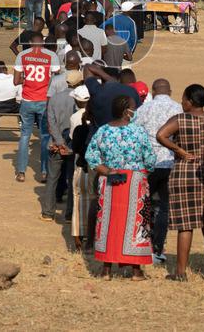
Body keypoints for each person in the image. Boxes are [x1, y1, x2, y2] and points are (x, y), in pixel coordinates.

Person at [156, 84, 204, 281]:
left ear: (190, 101)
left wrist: (179, 150)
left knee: (185, 225)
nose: (182, 102)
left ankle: (181, 272)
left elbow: (161, 135)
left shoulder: (180, 120)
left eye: (183, 99)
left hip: (184, 172)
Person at [85, 95, 156, 280]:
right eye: (133, 108)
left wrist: (107, 170)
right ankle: (136, 271)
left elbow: (91, 157)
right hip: (134, 182)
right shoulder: (138, 132)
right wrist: (143, 171)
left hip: (109, 181)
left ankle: (106, 270)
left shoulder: (103, 131)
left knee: (108, 223)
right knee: (136, 224)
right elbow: (150, 159)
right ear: (127, 111)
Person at [132, 78, 184, 264]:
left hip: (148, 164)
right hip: (170, 163)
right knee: (164, 208)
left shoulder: (144, 109)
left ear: (153, 91)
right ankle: (158, 248)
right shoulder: (178, 109)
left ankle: (141, 245)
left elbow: (135, 133)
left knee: (144, 204)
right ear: (169, 91)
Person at [12, 33, 60, 183]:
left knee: (25, 135)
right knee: (45, 136)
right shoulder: (51, 55)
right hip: (44, 101)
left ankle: (21, 172)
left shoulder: (22, 55)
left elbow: (15, 81)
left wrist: (25, 79)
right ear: (43, 42)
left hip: (27, 100)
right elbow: (56, 78)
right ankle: (44, 172)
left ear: (31, 43)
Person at [42, 65, 79, 221]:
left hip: (55, 144)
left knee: (52, 179)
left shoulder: (55, 98)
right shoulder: (79, 100)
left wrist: (58, 141)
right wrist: (67, 143)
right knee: (72, 180)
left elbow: (50, 122)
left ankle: (47, 213)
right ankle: (69, 214)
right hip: (72, 145)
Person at [70, 88, 95, 251]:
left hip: (80, 166)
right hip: (94, 168)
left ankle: (78, 238)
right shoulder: (98, 127)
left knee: (77, 201)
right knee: (94, 200)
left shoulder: (75, 121)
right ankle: (92, 237)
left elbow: (74, 146)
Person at [82, 64, 140, 130]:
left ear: (102, 79)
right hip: (128, 134)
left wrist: (107, 77)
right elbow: (139, 114)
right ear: (119, 79)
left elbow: (87, 67)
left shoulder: (96, 90)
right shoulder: (131, 91)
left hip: (99, 134)